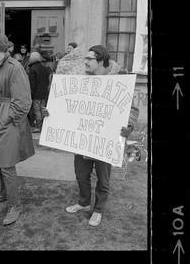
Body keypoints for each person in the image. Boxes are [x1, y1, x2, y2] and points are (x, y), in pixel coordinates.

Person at [44, 45, 139, 227]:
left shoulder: (120, 81)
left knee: (103, 179)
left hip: (105, 139)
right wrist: (52, 113)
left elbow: (132, 109)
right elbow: (68, 105)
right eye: (85, 58)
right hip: (83, 139)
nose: (85, 62)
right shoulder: (81, 80)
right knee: (81, 174)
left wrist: (129, 125)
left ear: (101, 61)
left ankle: (98, 210)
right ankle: (84, 203)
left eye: (89, 59)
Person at [0, 33, 35, 226]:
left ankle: (15, 205)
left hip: (7, 121)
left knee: (7, 163)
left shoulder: (15, 67)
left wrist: (8, 119)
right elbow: (1, 94)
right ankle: (4, 193)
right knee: (0, 159)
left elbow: (24, 102)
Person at [28, 51, 50, 133]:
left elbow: (32, 84)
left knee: (37, 110)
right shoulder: (45, 68)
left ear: (32, 59)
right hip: (44, 93)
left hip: (37, 94)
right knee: (43, 109)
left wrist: (31, 94)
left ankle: (38, 127)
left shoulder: (32, 69)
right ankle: (43, 126)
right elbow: (47, 81)